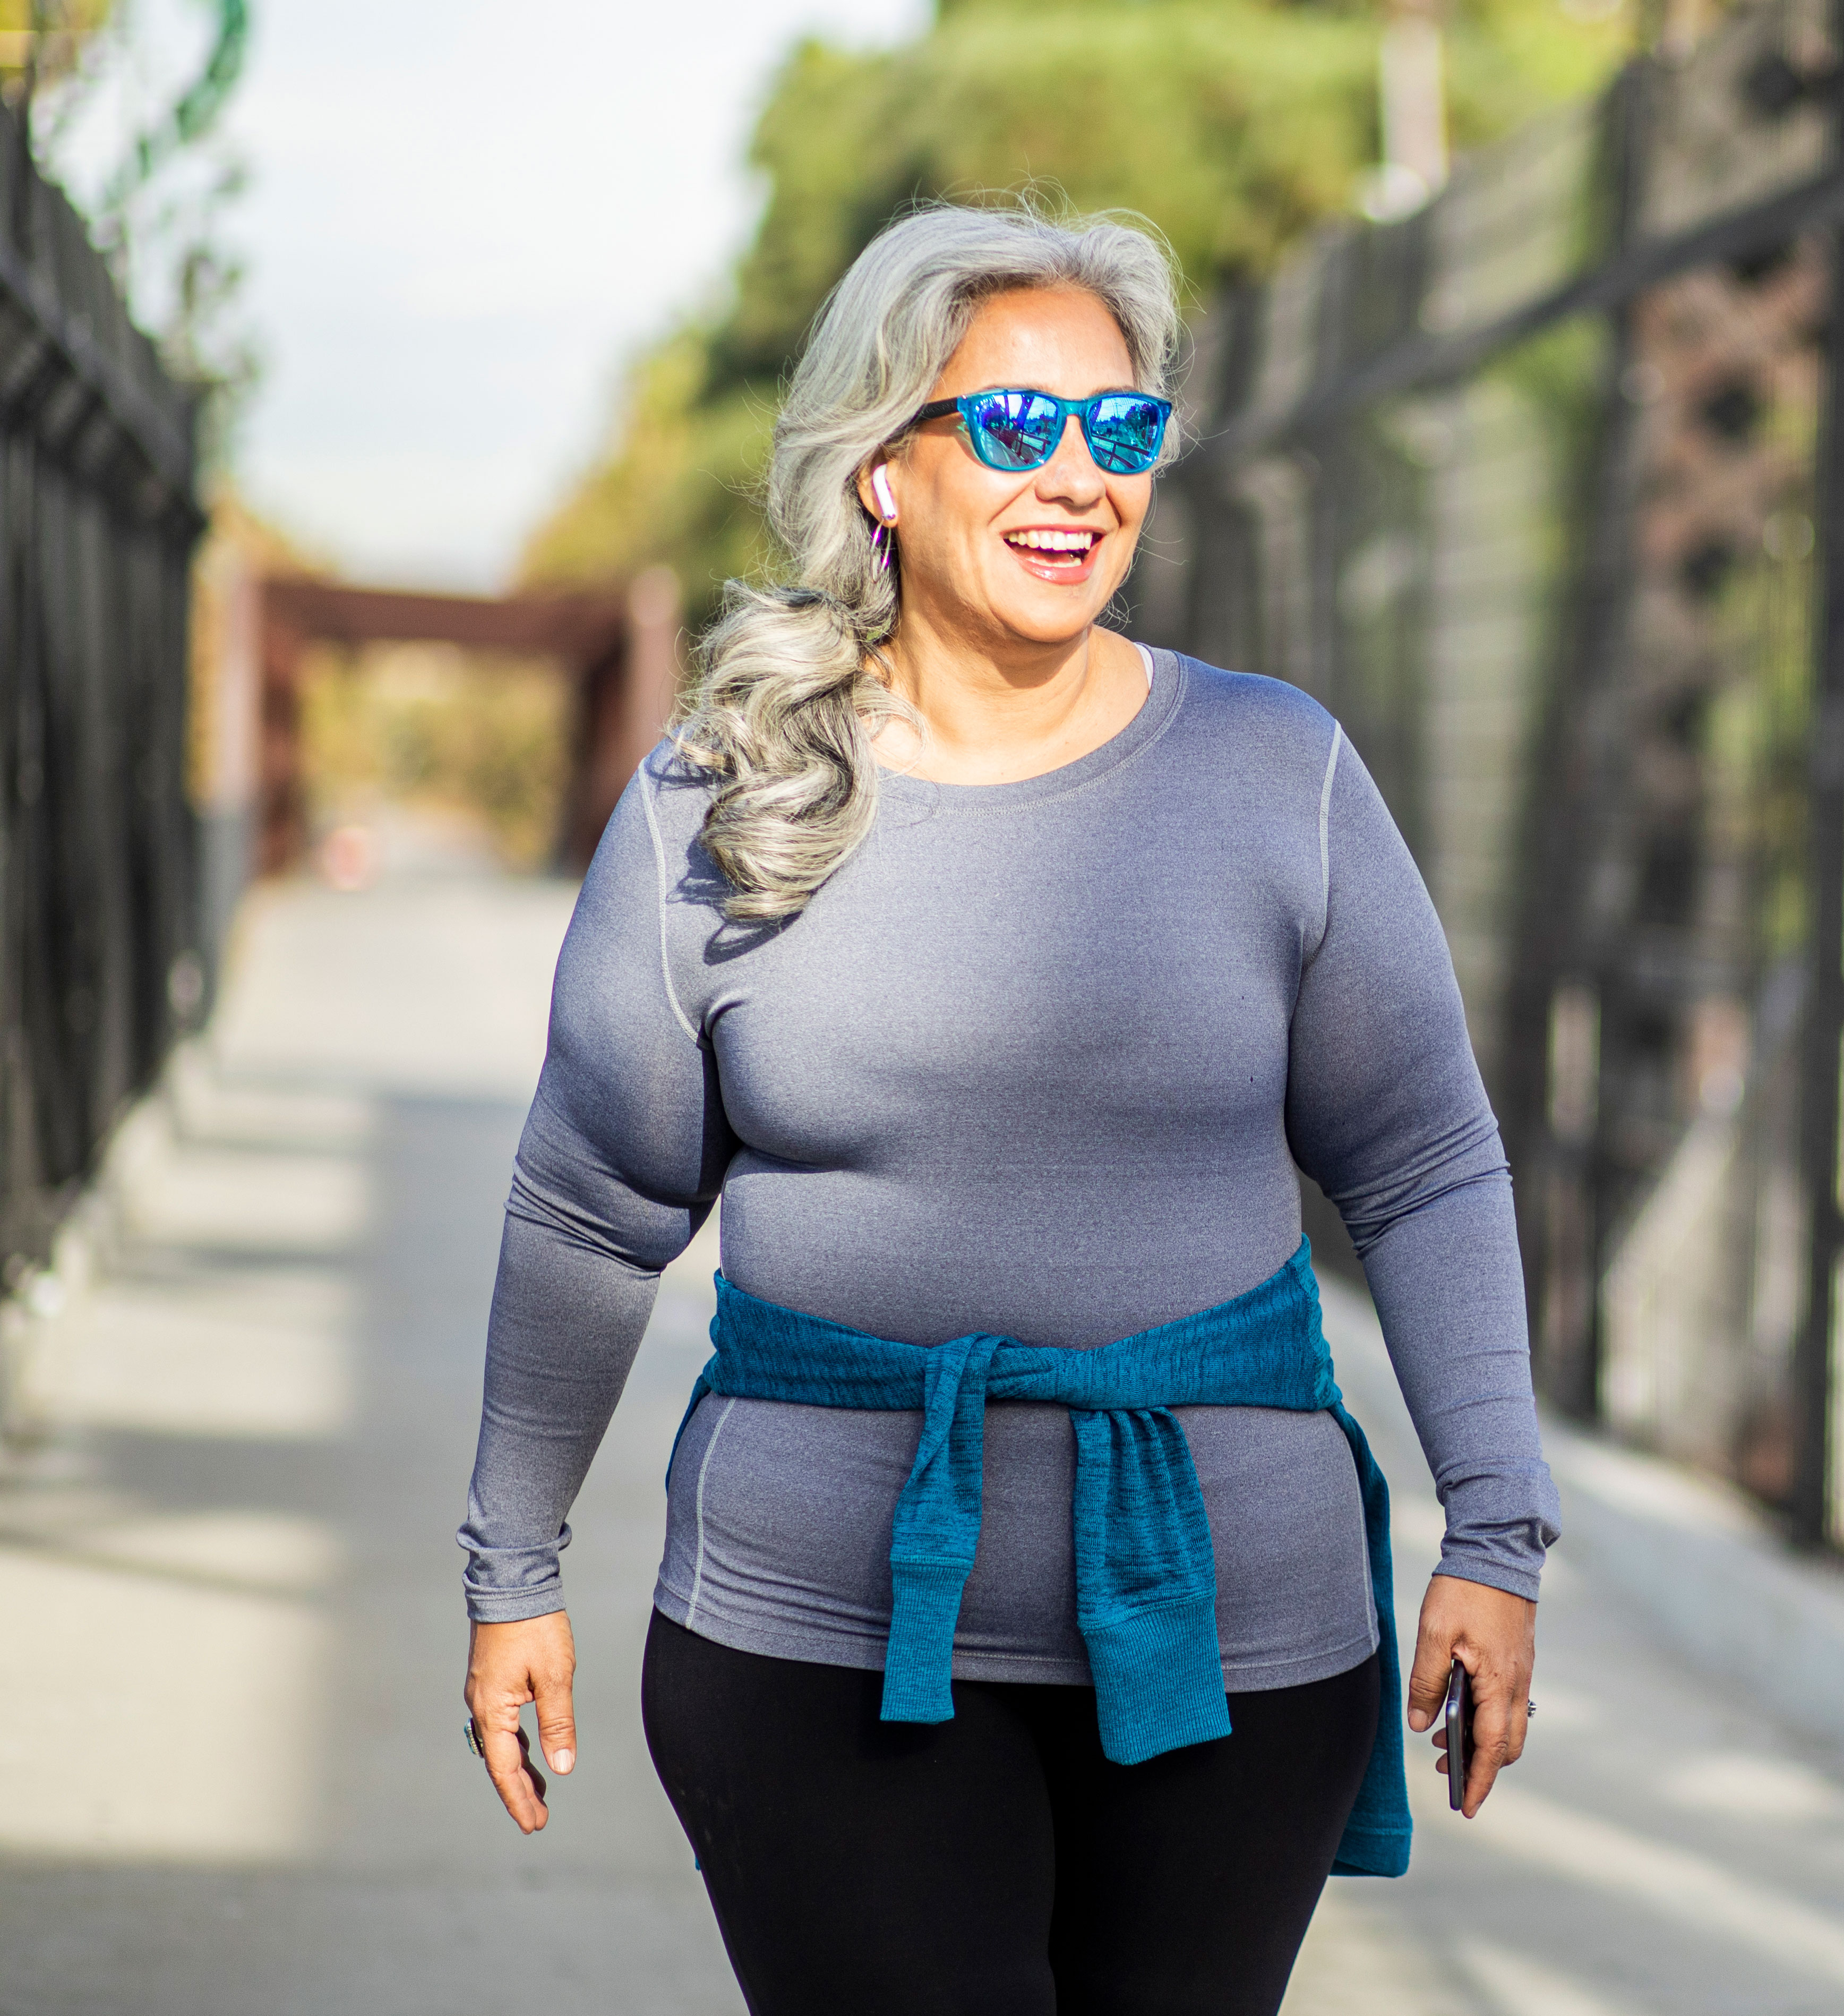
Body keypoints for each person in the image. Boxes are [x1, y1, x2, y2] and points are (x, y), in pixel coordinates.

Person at [454, 200, 1556, 2016]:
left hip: (1236, 1642)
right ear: (884, 470)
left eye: (1122, 427)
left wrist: (1497, 1534)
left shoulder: (1278, 770)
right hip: (815, 1635)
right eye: (1018, 423)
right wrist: (514, 1562)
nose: (1080, 477)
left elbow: (1426, 1161)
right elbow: (590, 1208)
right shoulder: (720, 800)